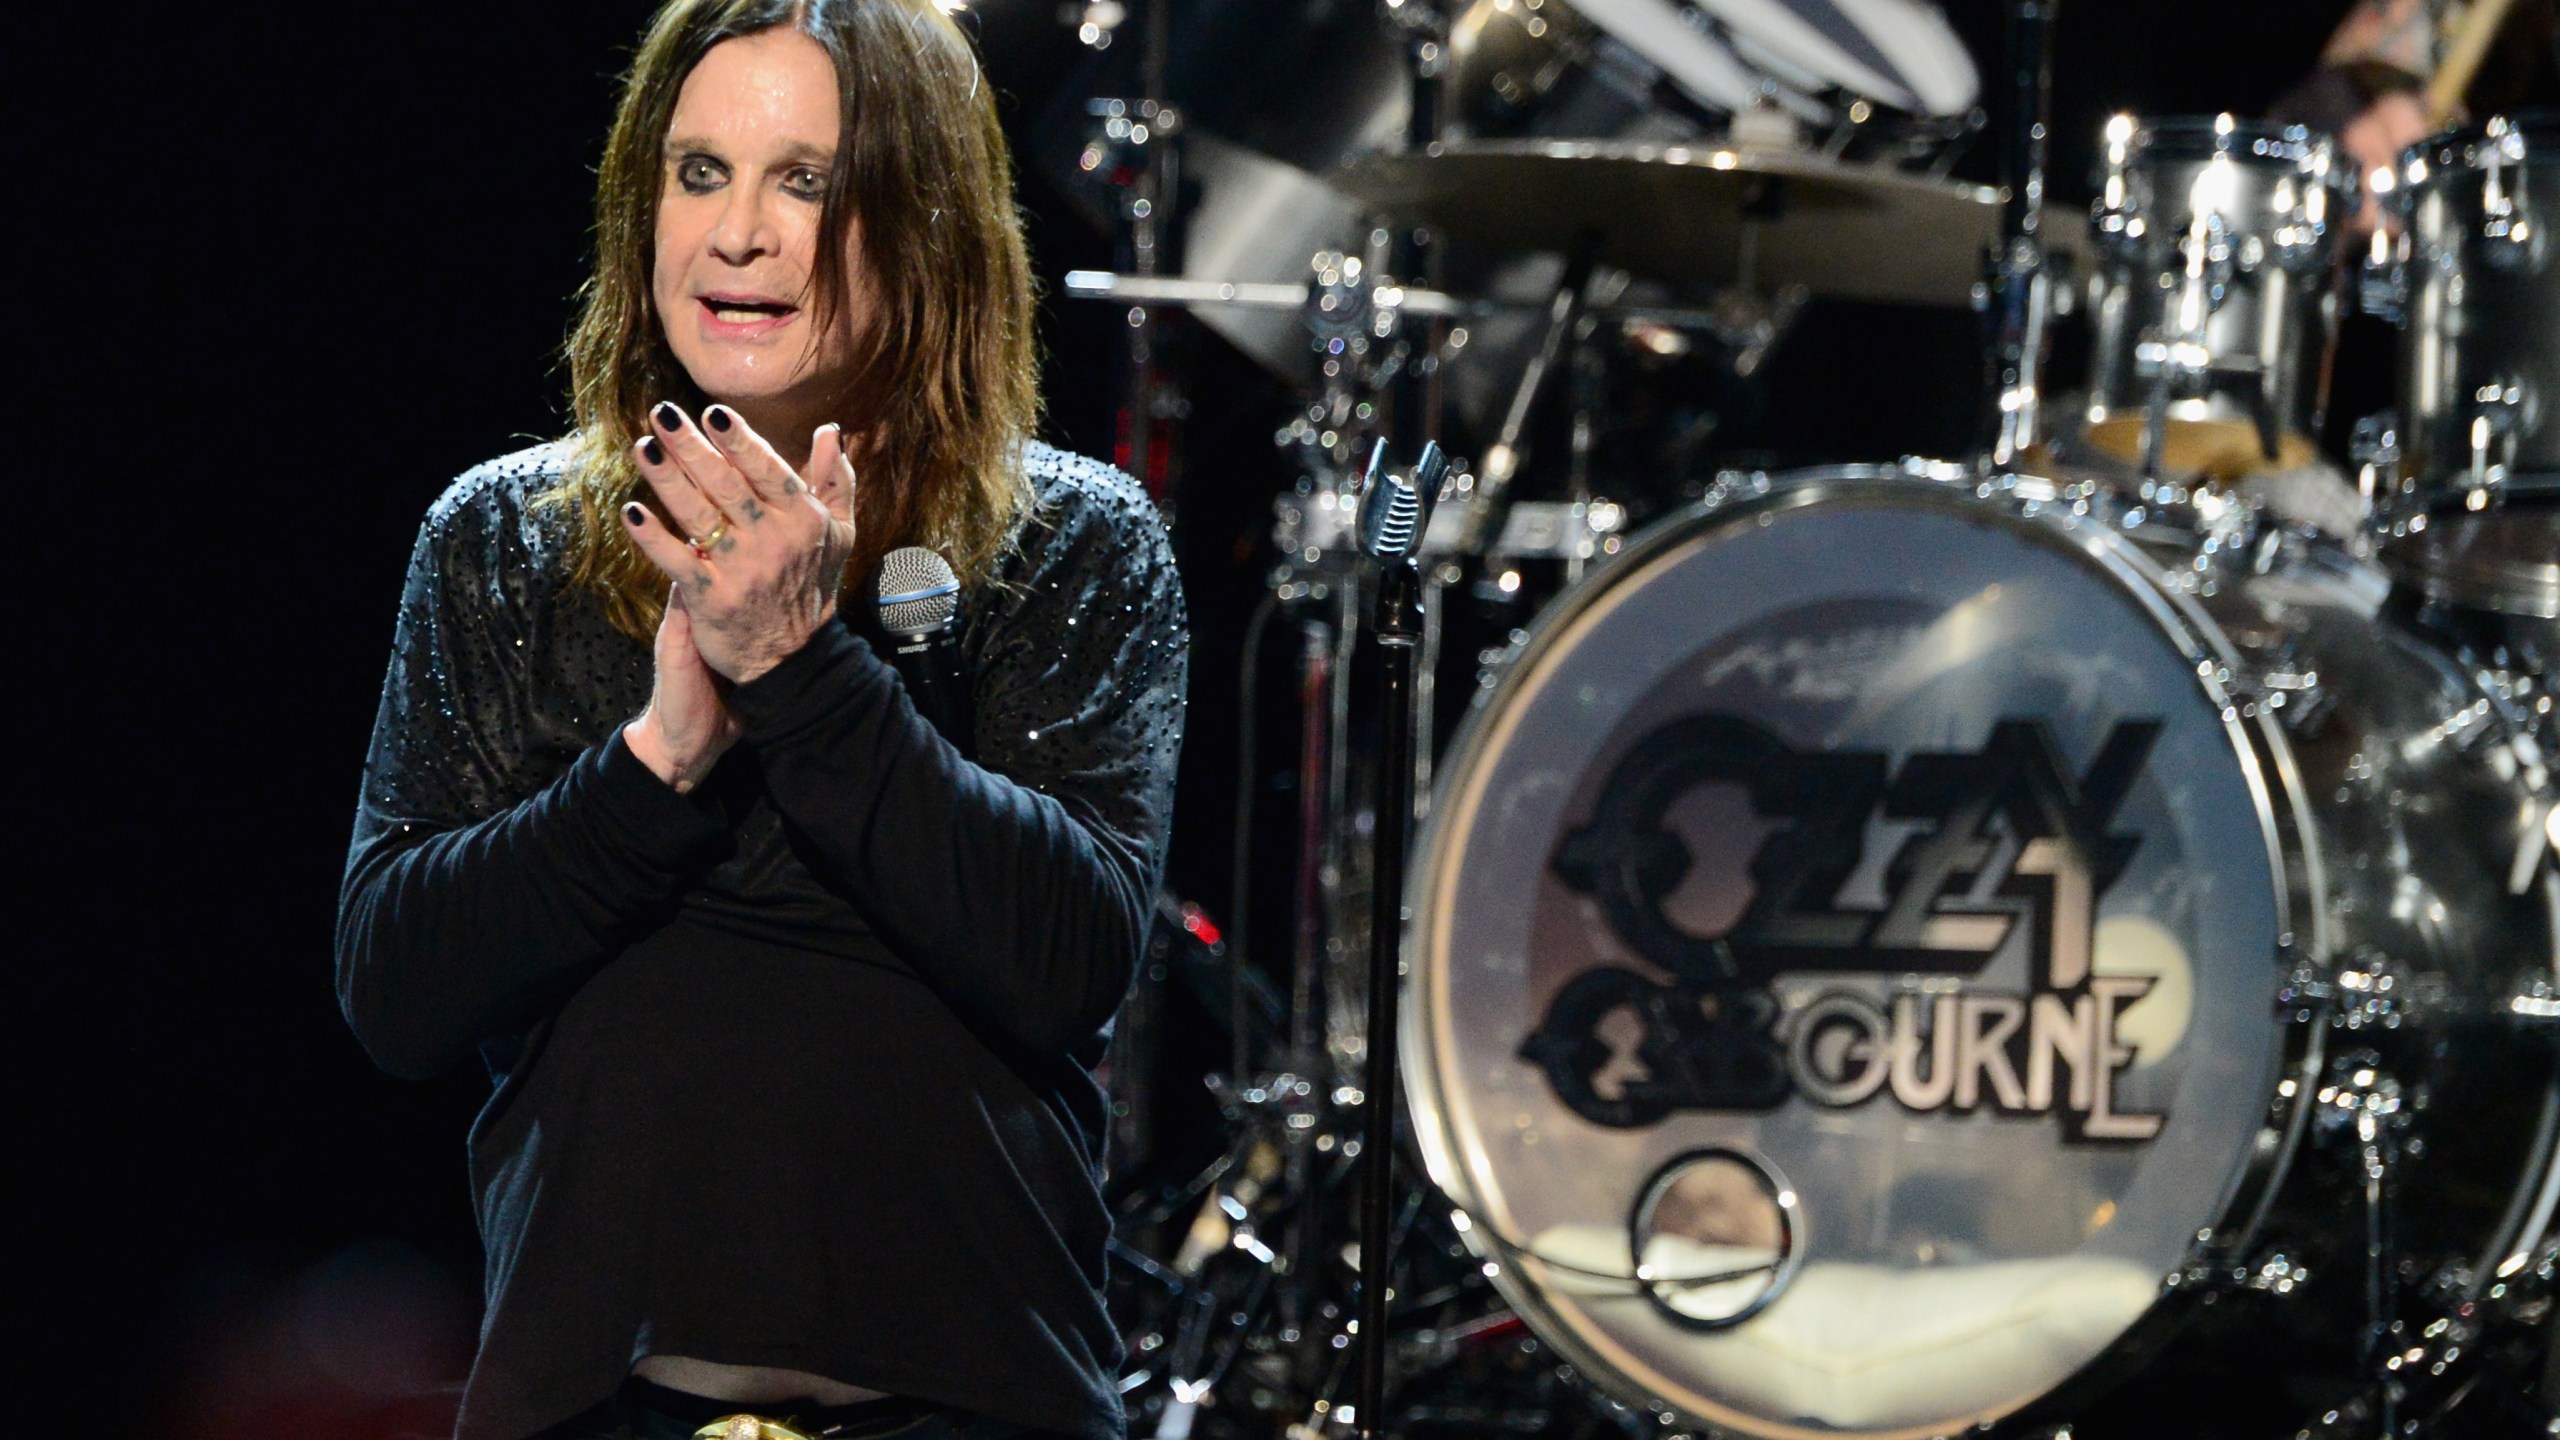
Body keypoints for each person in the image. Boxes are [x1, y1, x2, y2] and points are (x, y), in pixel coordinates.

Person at [335, 2, 1187, 1437]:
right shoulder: (503, 540)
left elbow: (1068, 962)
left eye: (805, 182)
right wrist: (657, 763)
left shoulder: (1070, 540)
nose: (737, 236)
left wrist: (802, 673)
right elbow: (397, 991)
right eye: (699, 173)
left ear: (923, 219)